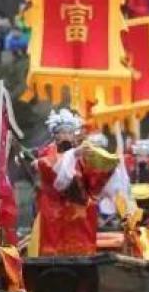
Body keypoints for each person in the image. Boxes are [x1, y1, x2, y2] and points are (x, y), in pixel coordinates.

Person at [27, 109, 118, 257]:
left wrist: (107, 168)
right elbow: (51, 171)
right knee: (54, 219)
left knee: (89, 206)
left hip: (77, 202)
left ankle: (83, 253)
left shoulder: (80, 154)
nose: (65, 136)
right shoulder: (48, 153)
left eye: (69, 132)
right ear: (55, 135)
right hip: (54, 202)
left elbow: (92, 182)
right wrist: (74, 154)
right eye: (61, 132)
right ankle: (52, 257)